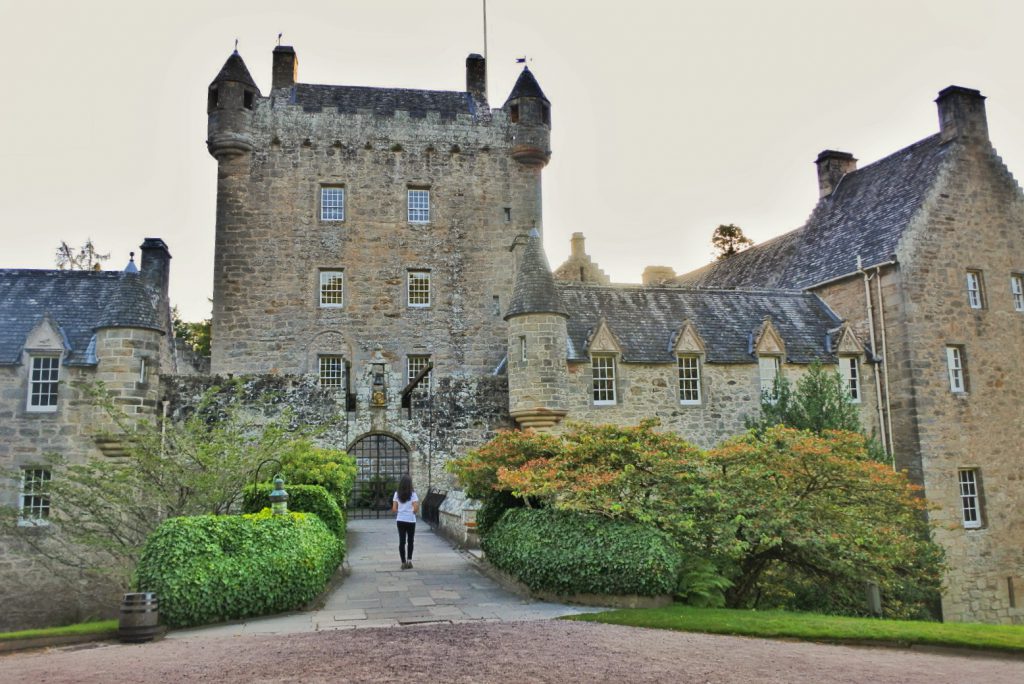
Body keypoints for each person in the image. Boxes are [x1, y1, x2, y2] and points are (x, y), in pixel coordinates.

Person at [391, 474, 419, 569]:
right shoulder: (413, 494)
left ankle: (403, 562)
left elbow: (394, 509)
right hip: (411, 520)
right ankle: (409, 561)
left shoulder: (396, 494)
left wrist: (401, 511)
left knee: (402, 541)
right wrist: (411, 511)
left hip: (400, 520)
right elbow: (415, 508)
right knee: (410, 541)